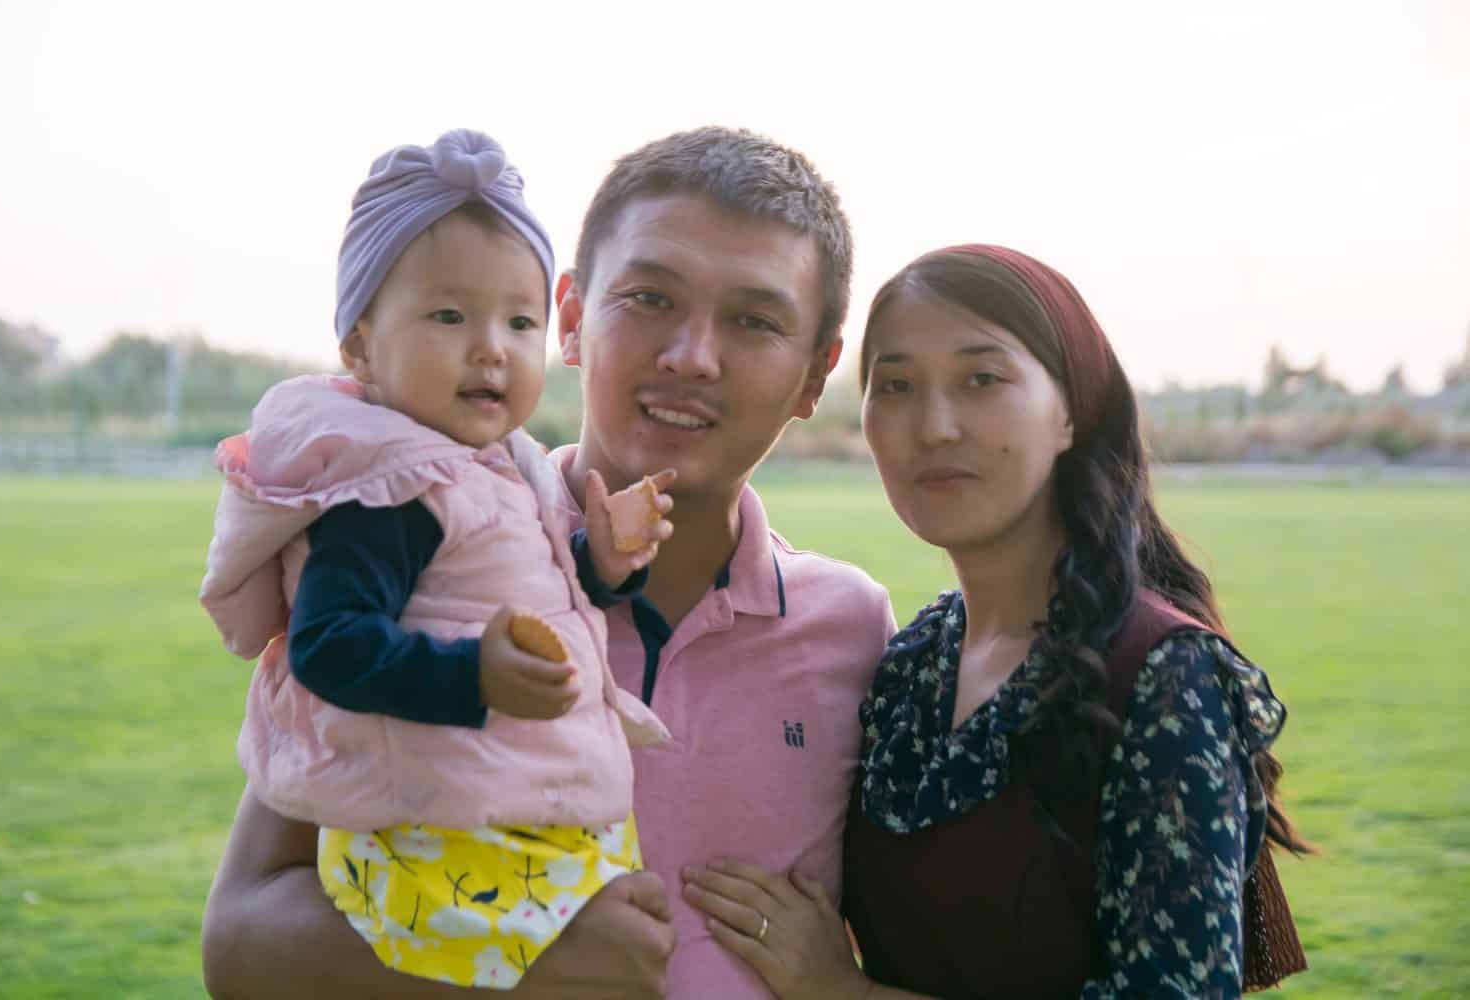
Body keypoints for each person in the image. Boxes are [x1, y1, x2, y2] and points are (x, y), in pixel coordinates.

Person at [199, 127, 898, 998]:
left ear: (813, 376)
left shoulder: (856, 632)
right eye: (650, 298)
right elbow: (241, 941)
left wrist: (845, 986)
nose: (692, 356)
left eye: (755, 321)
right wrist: (523, 985)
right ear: (569, 318)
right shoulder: (440, 551)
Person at [682, 245, 1310, 998]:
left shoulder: (1162, 674)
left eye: (981, 379)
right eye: (898, 385)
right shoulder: (910, 664)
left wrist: (843, 993)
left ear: (1072, 410)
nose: (935, 426)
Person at [198, 128, 678, 988]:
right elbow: (329, 645)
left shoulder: (490, 466)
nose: (491, 345)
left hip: (500, 812)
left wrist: (601, 562)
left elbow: (498, 580)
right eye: (449, 316)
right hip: (440, 834)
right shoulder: (389, 492)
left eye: (519, 320)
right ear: (359, 346)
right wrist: (472, 676)